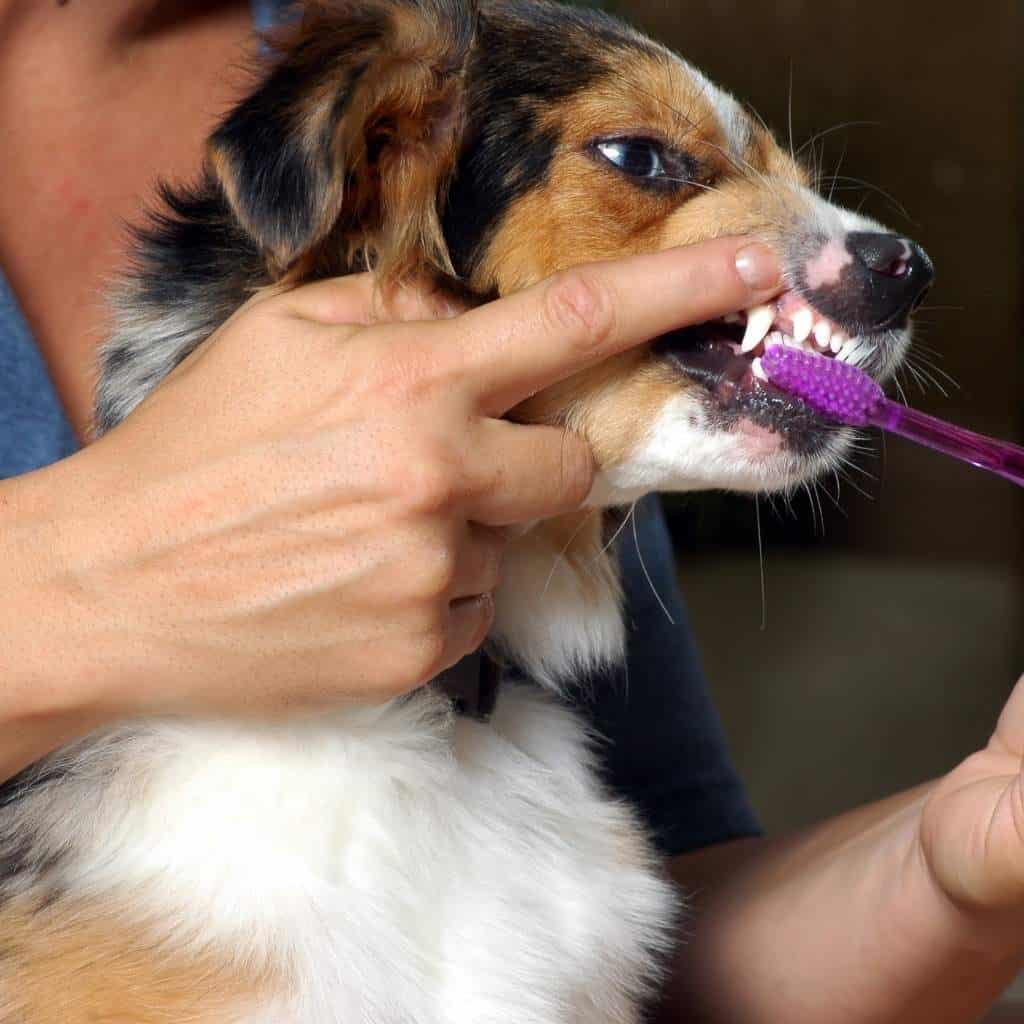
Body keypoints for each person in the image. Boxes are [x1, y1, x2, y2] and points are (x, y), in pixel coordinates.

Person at [1, 2, 1022, 1021]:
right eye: (644, 157)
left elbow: (687, 927)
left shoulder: (467, 76)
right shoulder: (398, 89)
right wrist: (88, 589)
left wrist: (961, 865)